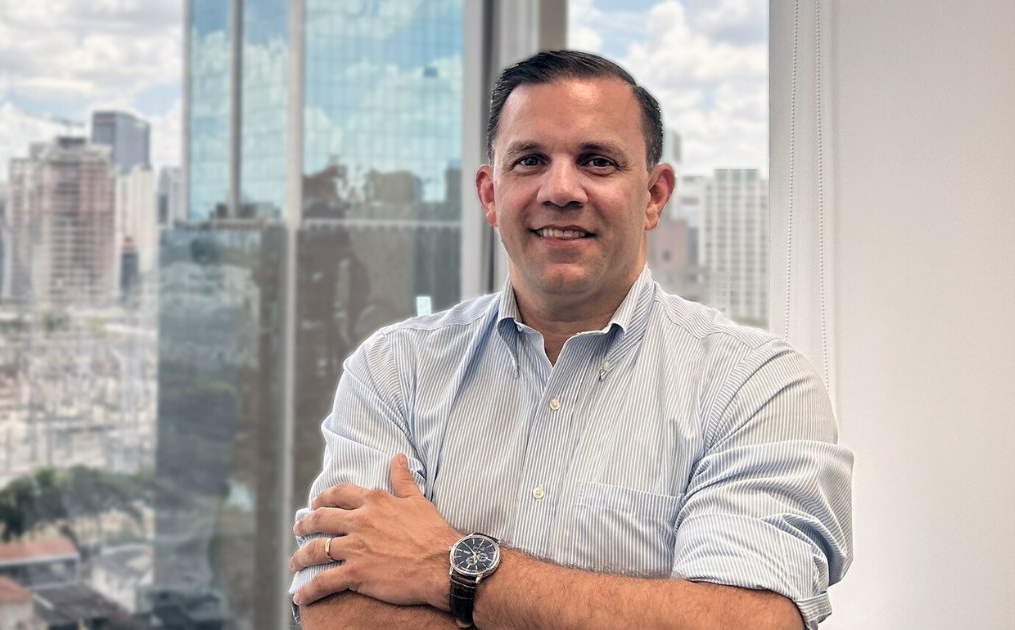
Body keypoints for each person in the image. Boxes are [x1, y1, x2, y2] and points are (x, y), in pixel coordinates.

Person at [288, 50, 852, 629]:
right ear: (489, 194)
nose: (560, 189)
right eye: (530, 160)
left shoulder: (757, 386)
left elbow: (748, 624)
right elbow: (335, 606)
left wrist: (446, 565)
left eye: (598, 161)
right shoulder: (393, 370)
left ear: (654, 195)